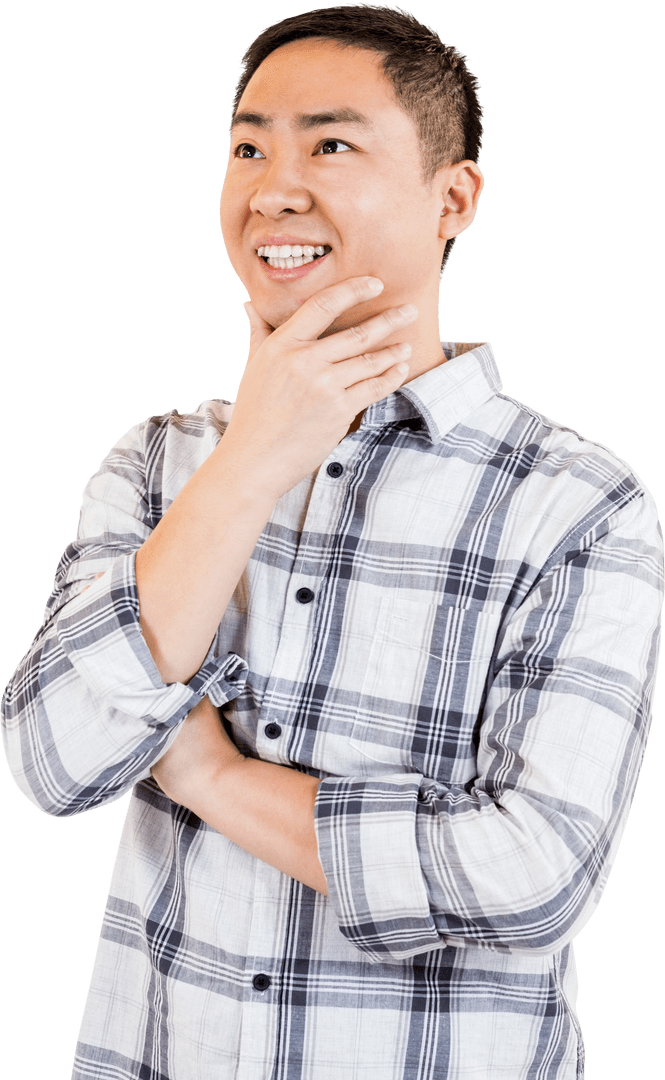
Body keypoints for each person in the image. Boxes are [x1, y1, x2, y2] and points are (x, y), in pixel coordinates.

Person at [1, 4, 663, 1078]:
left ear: (452, 198)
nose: (274, 188)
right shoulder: (159, 461)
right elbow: (54, 761)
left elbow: (532, 878)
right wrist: (255, 458)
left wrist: (209, 780)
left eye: (331, 144)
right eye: (248, 146)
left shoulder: (578, 502)